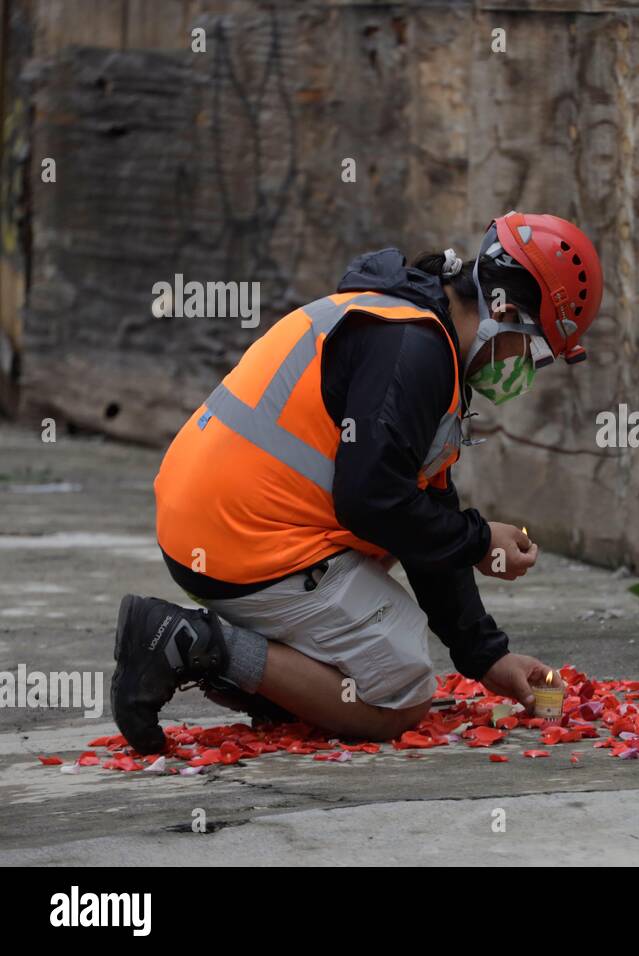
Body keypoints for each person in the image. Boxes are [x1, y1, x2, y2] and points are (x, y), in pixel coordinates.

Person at [110, 211, 603, 755]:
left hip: (210, 525)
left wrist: (487, 657)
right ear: (505, 311)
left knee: (405, 533)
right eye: (530, 347)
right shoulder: (414, 351)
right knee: (402, 693)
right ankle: (198, 645)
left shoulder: (405, 324)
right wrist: (481, 540)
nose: (521, 367)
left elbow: (417, 511)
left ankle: (286, 684)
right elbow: (372, 500)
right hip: (241, 543)